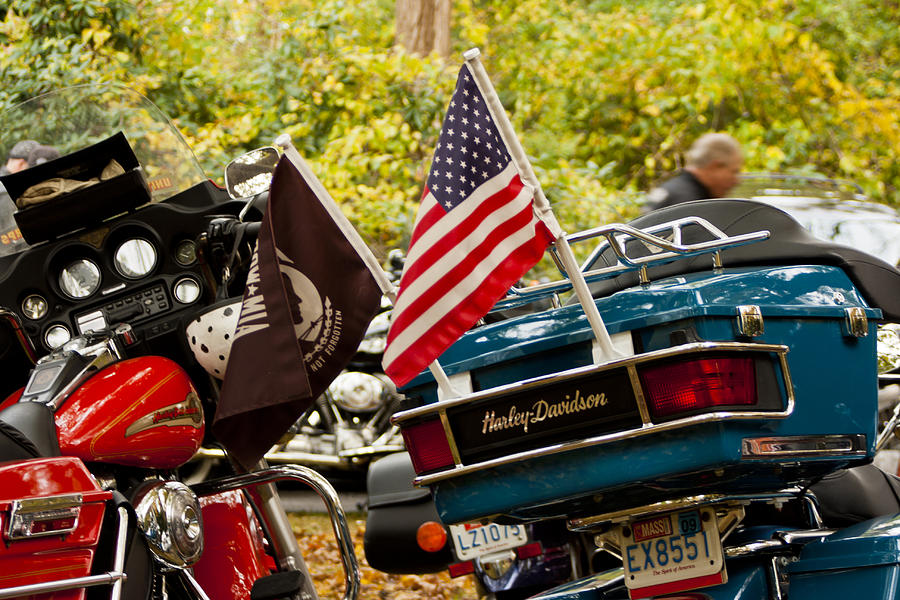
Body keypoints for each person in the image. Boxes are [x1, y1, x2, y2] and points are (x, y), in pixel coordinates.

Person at [646, 133, 743, 210]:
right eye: (734, 172)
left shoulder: (673, 189)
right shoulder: (691, 205)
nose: (736, 181)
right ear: (715, 166)